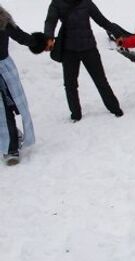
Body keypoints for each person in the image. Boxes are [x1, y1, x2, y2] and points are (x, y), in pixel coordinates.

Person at [44, 0, 128, 122]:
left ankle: (115, 108)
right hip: (69, 50)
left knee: (100, 80)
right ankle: (75, 114)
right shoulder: (57, 3)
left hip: (89, 48)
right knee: (70, 84)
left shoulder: (86, 2)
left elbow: (101, 20)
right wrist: (48, 37)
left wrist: (117, 33)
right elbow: (50, 21)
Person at [0, 6, 47, 165]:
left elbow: (20, 37)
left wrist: (38, 42)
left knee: (6, 107)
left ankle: (12, 148)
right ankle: (13, 135)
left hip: (4, 71)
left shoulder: (3, 20)